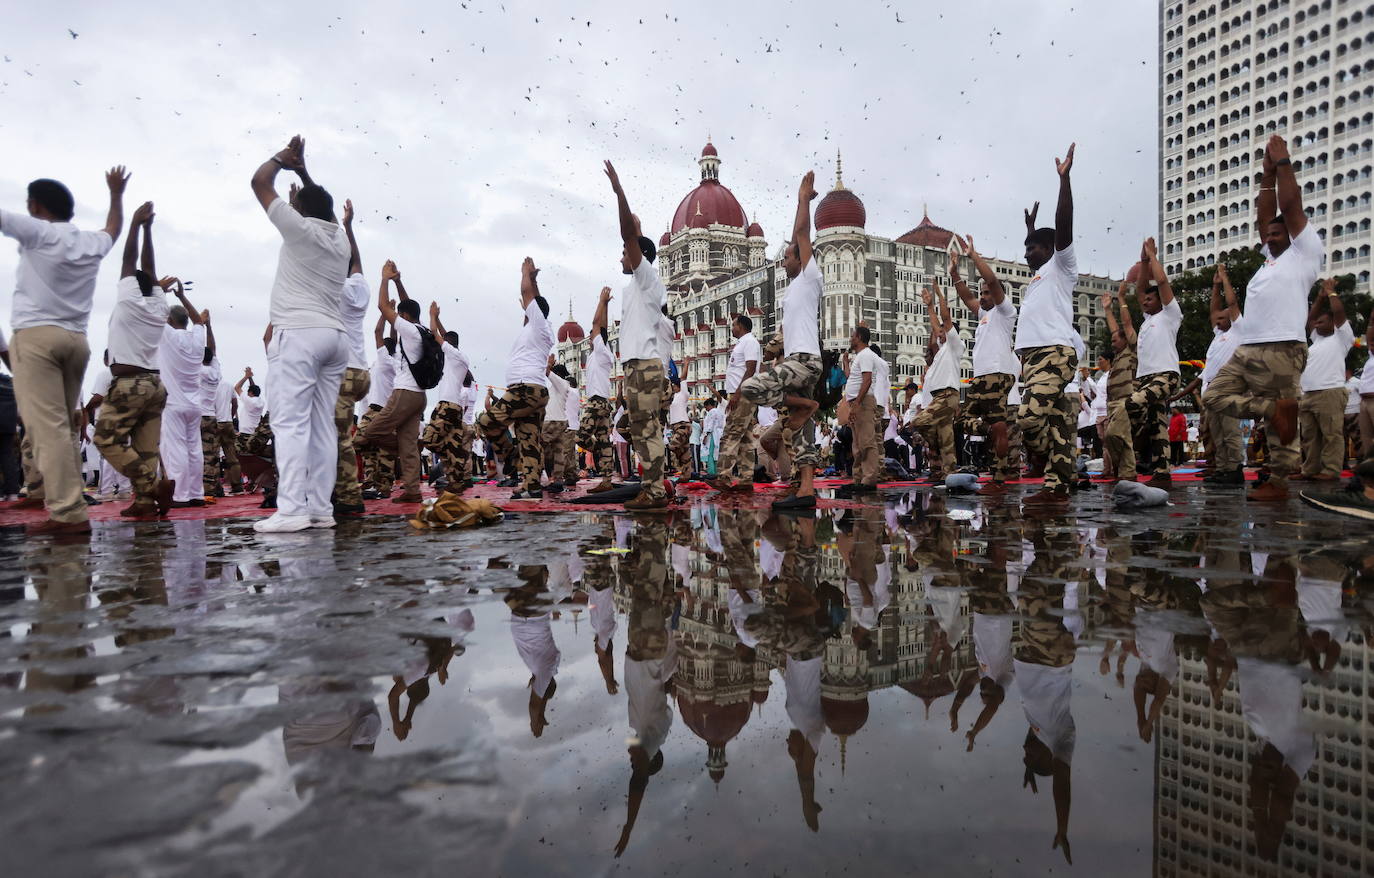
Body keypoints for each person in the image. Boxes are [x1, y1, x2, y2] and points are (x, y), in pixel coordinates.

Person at [2, 166, 128, 533]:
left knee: (47, 430)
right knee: (64, 429)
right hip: (76, 342)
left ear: (36, 206)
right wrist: (116, 195)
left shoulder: (37, 231)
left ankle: (68, 514)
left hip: (36, 338)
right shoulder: (90, 242)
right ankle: (69, 504)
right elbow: (113, 229)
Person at [1202, 135, 1323, 502]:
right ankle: (1273, 409)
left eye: (1276, 233)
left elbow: (1290, 205)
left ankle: (1280, 484)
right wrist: (1265, 177)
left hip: (1283, 345)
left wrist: (1283, 165)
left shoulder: (1304, 252)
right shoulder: (1270, 259)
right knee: (1215, 397)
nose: (1269, 238)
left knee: (1279, 434)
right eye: (1267, 235)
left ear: (1292, 234)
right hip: (1249, 349)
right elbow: (1265, 213)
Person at [250, 135, 351, 532]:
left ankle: (292, 509)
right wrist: (303, 170)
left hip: (301, 334)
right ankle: (320, 509)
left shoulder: (300, 231)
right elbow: (321, 205)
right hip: (335, 338)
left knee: (290, 424)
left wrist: (281, 159)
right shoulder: (340, 239)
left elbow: (260, 183)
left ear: (300, 211)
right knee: (322, 425)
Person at [740, 172, 824, 511]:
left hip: (804, 361)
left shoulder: (809, 276)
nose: (783, 260)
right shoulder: (792, 291)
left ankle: (806, 406)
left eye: (787, 257)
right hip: (798, 360)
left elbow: (801, 233)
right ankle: (804, 489)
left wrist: (802, 199)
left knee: (750, 388)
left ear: (800, 259)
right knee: (800, 433)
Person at [92, 201, 172, 518]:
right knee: (146, 448)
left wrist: (136, 225)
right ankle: (143, 503)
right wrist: (149, 230)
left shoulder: (128, 301)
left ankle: (150, 485)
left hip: (130, 384)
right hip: (155, 385)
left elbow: (130, 260)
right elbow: (148, 269)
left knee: (104, 439)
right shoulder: (159, 307)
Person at [1013, 143, 1080, 507]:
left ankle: (1045, 465)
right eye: (1025, 249)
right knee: (1055, 424)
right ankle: (1058, 487)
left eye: (1032, 248)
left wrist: (1064, 180)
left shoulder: (1062, 266)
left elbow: (1064, 225)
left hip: (1055, 354)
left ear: (1051, 247)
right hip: (1034, 360)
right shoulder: (1037, 279)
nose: (1026, 255)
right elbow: (1037, 242)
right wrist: (1030, 229)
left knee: (1028, 419)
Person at [604, 161, 670, 510]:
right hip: (635, 366)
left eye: (626, 253)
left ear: (638, 256)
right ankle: (655, 483)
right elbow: (636, 234)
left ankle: (656, 491)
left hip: (645, 366)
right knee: (638, 429)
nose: (621, 257)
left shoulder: (646, 278)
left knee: (647, 431)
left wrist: (619, 192)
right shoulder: (636, 284)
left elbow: (629, 234)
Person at [475, 258, 553, 499]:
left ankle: (510, 459)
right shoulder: (535, 328)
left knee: (486, 422)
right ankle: (532, 486)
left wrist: (525, 274)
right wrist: (535, 281)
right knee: (529, 440)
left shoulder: (540, 324)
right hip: (532, 391)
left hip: (525, 389)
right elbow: (534, 301)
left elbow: (528, 295)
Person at [359, 260, 431, 504]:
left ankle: (408, 449)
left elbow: (382, 306)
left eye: (400, 314)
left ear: (404, 316)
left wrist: (384, 280)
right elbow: (407, 305)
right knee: (408, 441)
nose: (396, 316)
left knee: (372, 431)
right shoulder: (421, 329)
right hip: (419, 397)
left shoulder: (409, 331)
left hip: (404, 393)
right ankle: (412, 491)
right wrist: (398, 281)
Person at [952, 237, 1018, 492]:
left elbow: (991, 280)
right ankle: (988, 428)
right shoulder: (984, 315)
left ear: (998, 294)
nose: (983, 297)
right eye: (982, 295)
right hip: (980, 378)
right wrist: (955, 273)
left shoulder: (1005, 312)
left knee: (1000, 426)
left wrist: (974, 257)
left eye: (988, 293)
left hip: (997, 375)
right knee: (962, 420)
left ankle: (999, 479)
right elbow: (966, 296)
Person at [1171, 264, 1245, 485]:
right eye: (1218, 320)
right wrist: (1214, 288)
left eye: (1223, 319)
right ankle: (1222, 468)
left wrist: (1224, 281)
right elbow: (1215, 310)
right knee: (1216, 432)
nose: (1218, 321)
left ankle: (1235, 468)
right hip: (1211, 390)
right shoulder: (1218, 335)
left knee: (1229, 430)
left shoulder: (1239, 330)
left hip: (1229, 386)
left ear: (1232, 318)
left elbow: (1231, 304)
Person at [1126, 237, 1183, 486]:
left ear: (1161, 301)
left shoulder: (1171, 314)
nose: (1145, 301)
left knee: (1134, 404)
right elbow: (1140, 289)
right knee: (1158, 427)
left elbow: (1161, 282)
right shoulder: (1146, 320)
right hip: (1146, 378)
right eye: (1144, 300)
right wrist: (1143, 261)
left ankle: (1139, 449)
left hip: (1166, 376)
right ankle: (1162, 474)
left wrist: (1153, 256)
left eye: (1150, 299)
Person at [332, 199, 373, 516]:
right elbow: (354, 260)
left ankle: (348, 495)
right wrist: (347, 226)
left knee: (338, 437)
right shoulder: (359, 288)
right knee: (337, 434)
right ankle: (338, 488)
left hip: (342, 373)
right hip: (360, 372)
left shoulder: (334, 289)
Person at [158, 281, 211, 508]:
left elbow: (153, 313)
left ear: (170, 321)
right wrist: (182, 297)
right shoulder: (198, 339)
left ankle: (180, 495)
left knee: (176, 449)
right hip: (194, 404)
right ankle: (196, 494)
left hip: (174, 403)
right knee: (194, 449)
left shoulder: (169, 335)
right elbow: (199, 321)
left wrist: (159, 291)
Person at [1296, 278, 1354, 483]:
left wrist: (1331, 293)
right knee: (1310, 436)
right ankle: (1310, 469)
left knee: (1331, 435)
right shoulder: (1317, 340)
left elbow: (1338, 313)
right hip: (1308, 393)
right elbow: (1310, 319)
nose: (1317, 324)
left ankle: (1330, 471)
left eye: (1323, 321)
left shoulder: (1342, 337)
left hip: (1330, 391)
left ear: (1333, 324)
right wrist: (1319, 297)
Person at [912, 286, 962, 481]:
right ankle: (948, 474)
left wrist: (940, 298)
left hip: (948, 395)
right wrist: (930, 306)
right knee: (946, 437)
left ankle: (942, 463)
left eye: (943, 331)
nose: (939, 333)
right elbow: (935, 324)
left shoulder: (955, 345)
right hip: (939, 396)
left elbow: (946, 320)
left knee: (919, 421)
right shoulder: (941, 351)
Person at [422, 303, 471, 495]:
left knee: (430, 439)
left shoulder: (455, 355)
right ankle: (455, 482)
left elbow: (436, 334)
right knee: (452, 443)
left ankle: (453, 458)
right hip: (454, 406)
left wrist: (432, 315)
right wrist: (439, 319)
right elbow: (442, 334)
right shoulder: (457, 356)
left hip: (448, 404)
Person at [713, 314, 762, 491]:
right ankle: (746, 479)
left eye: (733, 325)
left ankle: (724, 477)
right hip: (742, 394)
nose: (731, 328)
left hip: (742, 395)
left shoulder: (749, 342)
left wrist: (737, 394)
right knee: (746, 439)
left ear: (741, 326)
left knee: (730, 434)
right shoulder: (743, 343)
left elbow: (750, 369)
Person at [580, 287, 618, 493]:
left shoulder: (602, 350)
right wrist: (607, 305)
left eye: (591, 336)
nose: (589, 337)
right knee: (603, 439)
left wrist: (601, 301)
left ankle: (602, 455)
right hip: (603, 402)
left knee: (581, 437)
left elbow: (597, 326)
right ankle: (606, 480)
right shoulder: (598, 353)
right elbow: (601, 327)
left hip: (596, 401)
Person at [1101, 281, 1139, 484]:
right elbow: (1115, 329)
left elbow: (1125, 326)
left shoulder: (1132, 349)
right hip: (1113, 403)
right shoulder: (1117, 354)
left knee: (1117, 435)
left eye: (1116, 340)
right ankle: (1125, 473)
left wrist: (1121, 301)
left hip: (1126, 401)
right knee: (1113, 439)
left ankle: (1127, 473)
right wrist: (1107, 310)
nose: (1112, 342)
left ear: (1126, 340)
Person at [360, 317, 397, 498]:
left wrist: (385, 313)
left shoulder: (385, 360)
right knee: (379, 449)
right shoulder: (391, 362)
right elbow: (393, 338)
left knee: (361, 442)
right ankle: (378, 484)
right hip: (385, 411)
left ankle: (379, 485)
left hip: (378, 410)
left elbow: (377, 333)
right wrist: (393, 323)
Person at [842, 326, 881, 493]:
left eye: (852, 336)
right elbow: (852, 378)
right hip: (858, 402)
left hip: (863, 403)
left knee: (866, 441)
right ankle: (858, 478)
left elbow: (867, 380)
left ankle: (869, 479)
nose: (850, 339)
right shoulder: (860, 356)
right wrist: (845, 363)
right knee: (857, 443)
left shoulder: (865, 355)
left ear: (858, 337)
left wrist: (857, 403)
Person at [541, 358, 571, 492]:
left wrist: (549, 364)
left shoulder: (561, 383)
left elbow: (546, 371)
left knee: (537, 448)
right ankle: (557, 480)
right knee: (558, 452)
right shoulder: (560, 386)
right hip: (560, 421)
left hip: (552, 422)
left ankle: (535, 478)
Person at [234, 367, 265, 453]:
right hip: (254, 434)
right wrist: (250, 377)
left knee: (236, 454)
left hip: (244, 434)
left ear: (250, 393)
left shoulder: (249, 401)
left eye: (248, 392)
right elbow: (253, 388)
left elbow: (237, 387)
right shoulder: (260, 401)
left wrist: (246, 377)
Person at [666, 370, 691, 478]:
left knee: (672, 446)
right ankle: (686, 476)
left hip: (683, 426)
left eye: (673, 386)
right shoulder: (671, 398)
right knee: (685, 454)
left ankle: (672, 468)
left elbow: (683, 378)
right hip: (676, 427)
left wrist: (686, 364)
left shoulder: (683, 394)